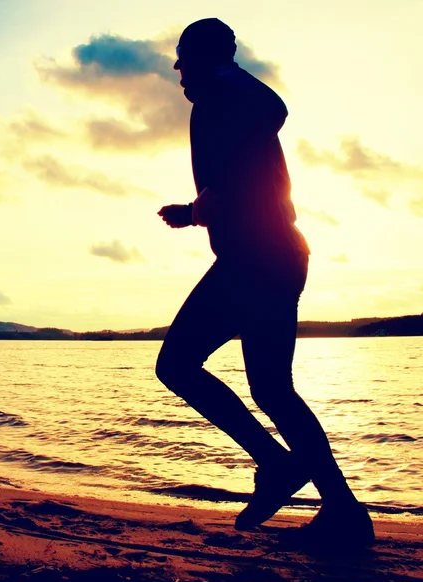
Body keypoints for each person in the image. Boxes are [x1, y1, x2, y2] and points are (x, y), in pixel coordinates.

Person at [155, 18, 374, 546]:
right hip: (270, 255)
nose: (178, 68)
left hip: (259, 258)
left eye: (184, 56)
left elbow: (273, 112)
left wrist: (200, 207)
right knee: (272, 388)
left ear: (210, 57)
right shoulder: (214, 104)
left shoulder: (228, 95)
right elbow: (246, 174)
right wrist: (199, 210)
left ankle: (276, 463)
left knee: (178, 364)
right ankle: (343, 510)